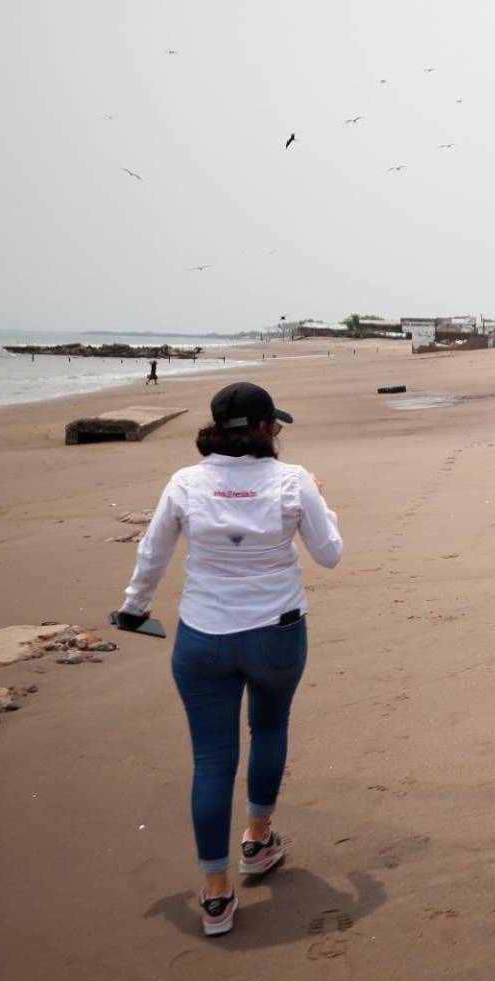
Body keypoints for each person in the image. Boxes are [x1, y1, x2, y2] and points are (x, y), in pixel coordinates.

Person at [117, 382, 343, 937]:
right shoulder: (292, 481)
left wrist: (133, 608)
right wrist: (319, 495)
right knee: (268, 728)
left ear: (216, 428)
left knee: (212, 760)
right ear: (267, 428)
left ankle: (216, 895)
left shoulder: (186, 482)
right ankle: (257, 840)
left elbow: (154, 553)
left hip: (203, 639)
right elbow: (329, 554)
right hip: (276, 635)